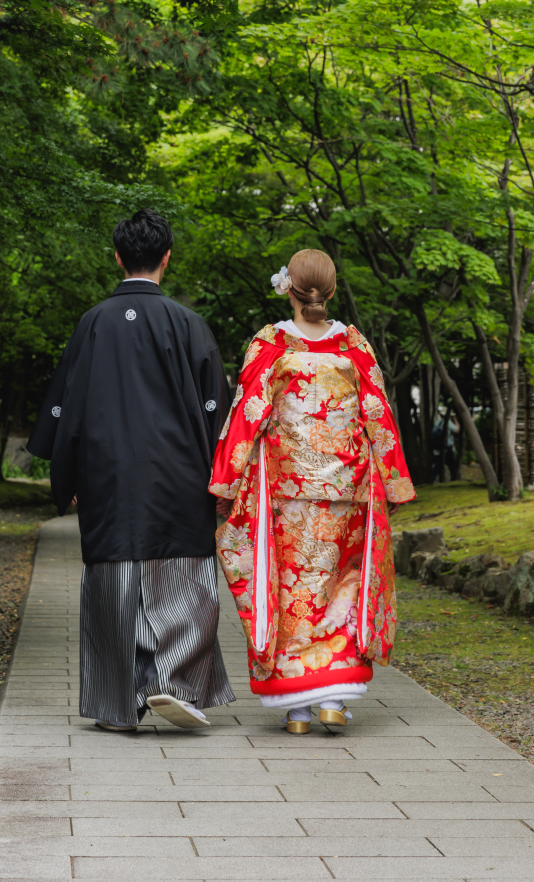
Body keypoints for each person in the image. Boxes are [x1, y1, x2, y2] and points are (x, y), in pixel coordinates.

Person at [28, 208, 235, 731]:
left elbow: (68, 405)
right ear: (167, 257)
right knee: (184, 579)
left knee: (113, 584)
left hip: (108, 473)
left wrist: (69, 475)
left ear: (118, 258)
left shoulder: (93, 323)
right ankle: (176, 683)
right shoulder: (189, 324)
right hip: (181, 472)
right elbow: (217, 409)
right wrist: (224, 479)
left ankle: (117, 703)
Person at [209, 249, 415, 733]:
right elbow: (378, 415)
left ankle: (298, 707)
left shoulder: (272, 344)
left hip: (287, 492)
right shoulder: (353, 345)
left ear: (289, 290)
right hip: (348, 489)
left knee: (291, 589)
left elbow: (247, 413)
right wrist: (394, 481)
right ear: (332, 290)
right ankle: (333, 699)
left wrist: (226, 480)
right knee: (342, 586)